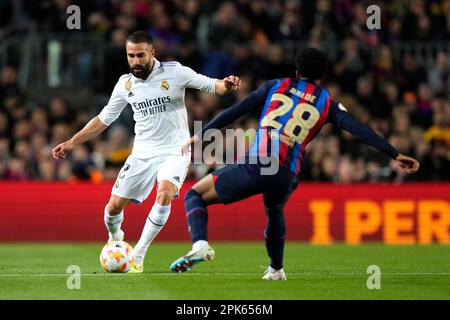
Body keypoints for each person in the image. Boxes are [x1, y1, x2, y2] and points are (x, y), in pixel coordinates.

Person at [169, 48, 420, 280]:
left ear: (296, 72)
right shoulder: (327, 103)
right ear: (322, 77)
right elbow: (358, 129)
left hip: (260, 162)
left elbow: (239, 109)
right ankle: (276, 269)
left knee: (195, 195)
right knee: (274, 210)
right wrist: (394, 154)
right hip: (287, 173)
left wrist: (203, 133)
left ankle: (200, 245)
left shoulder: (276, 85)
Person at [52, 31, 241, 273]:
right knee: (112, 209)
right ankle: (116, 236)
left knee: (164, 193)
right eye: (131, 56)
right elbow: (103, 119)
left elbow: (211, 85)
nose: (136, 61)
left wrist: (226, 84)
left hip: (175, 151)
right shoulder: (125, 84)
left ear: (152, 52)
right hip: (142, 154)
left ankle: (138, 256)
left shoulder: (175, 72)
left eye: (141, 55)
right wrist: (72, 141)